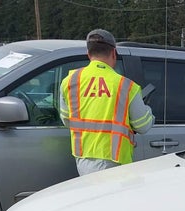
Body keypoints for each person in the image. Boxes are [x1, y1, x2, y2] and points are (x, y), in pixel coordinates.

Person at [59, 29, 154, 176]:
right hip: (115, 161)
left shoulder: (70, 81)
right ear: (114, 53)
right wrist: (147, 110)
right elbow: (143, 125)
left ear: (88, 54)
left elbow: (67, 120)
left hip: (83, 159)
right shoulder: (126, 86)